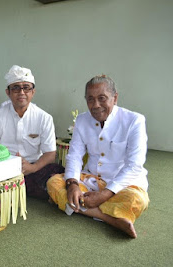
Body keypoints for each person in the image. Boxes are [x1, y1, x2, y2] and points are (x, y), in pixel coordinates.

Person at [47, 75, 149, 238]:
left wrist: (104, 195)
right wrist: (72, 184)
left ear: (115, 98)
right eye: (90, 99)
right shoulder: (81, 120)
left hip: (123, 184)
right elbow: (74, 156)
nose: (95, 105)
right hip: (91, 179)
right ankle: (111, 219)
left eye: (102, 98)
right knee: (54, 182)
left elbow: (133, 166)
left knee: (137, 200)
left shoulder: (134, 121)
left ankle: (74, 206)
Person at [0, 65, 64, 199]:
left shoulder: (44, 118)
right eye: (16, 88)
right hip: (3, 170)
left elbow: (50, 154)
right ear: (8, 92)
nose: (21, 92)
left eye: (26, 87)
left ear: (33, 92)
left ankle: (16, 190)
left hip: (34, 168)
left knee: (58, 173)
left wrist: (32, 168)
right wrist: (8, 165)